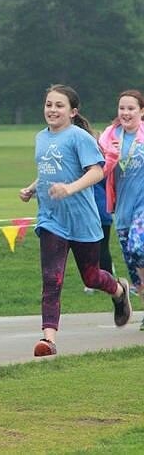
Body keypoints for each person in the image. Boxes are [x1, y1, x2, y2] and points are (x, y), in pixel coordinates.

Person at [19, 84, 132, 357]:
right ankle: (48, 340)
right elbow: (49, 170)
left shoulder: (79, 137)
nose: (52, 110)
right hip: (51, 219)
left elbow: (97, 171)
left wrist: (69, 188)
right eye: (49, 104)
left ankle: (119, 291)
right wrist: (33, 188)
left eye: (59, 105)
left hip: (82, 221)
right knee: (51, 278)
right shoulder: (40, 138)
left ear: (72, 111)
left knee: (91, 277)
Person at [99, 89, 144, 331]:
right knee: (133, 265)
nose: (125, 113)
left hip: (143, 206)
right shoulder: (109, 136)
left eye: (131, 108)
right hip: (122, 210)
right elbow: (95, 166)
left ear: (142, 111)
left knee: (140, 246)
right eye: (122, 108)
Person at [83, 178, 114, 294]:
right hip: (103, 208)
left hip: (91, 210)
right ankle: (108, 280)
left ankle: (95, 282)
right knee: (103, 248)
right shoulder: (102, 167)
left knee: (90, 248)